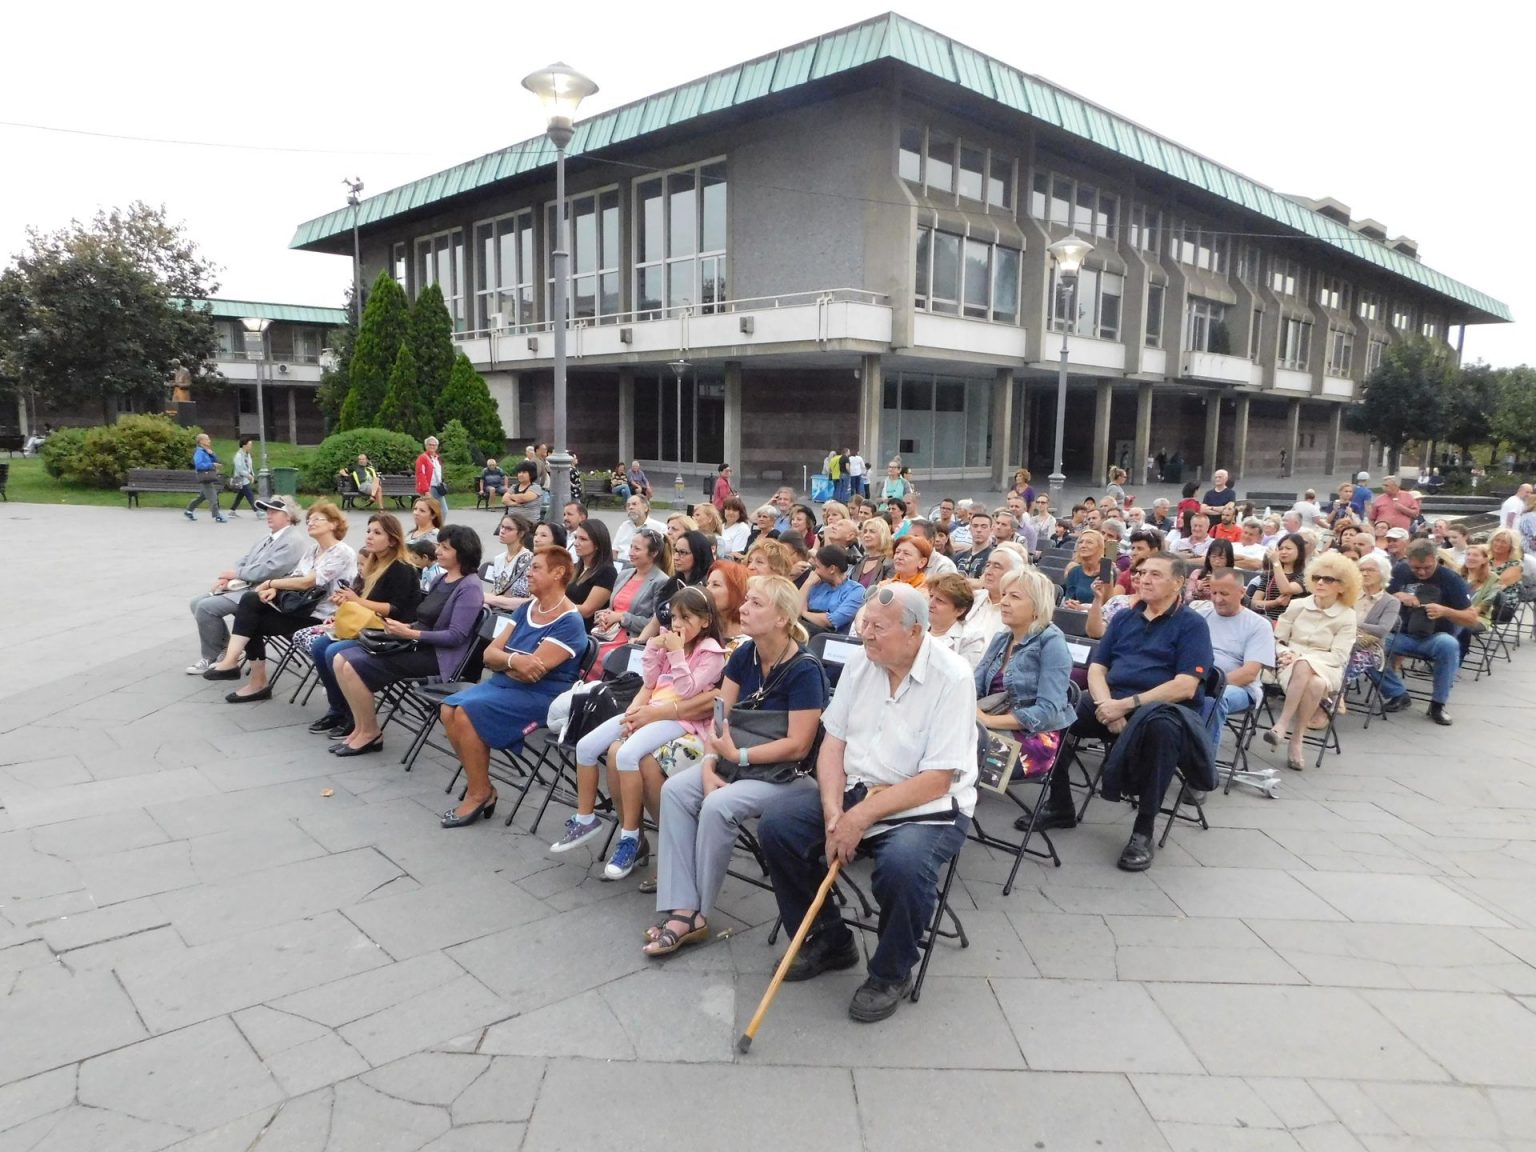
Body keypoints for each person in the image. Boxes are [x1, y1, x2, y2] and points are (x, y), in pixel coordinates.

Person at [755, 583, 975, 1021]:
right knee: (778, 825)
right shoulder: (862, 663)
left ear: (915, 632)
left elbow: (937, 779)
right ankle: (828, 939)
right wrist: (835, 811)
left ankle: (891, 972)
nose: (866, 634)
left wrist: (859, 818)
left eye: (878, 627)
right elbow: (833, 743)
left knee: (904, 867)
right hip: (857, 788)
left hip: (924, 807)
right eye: (864, 624)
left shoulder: (953, 677)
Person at [641, 575, 828, 956]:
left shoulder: (805, 670)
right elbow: (720, 718)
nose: (743, 608)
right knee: (675, 790)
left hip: (783, 774)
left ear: (781, 619)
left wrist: (735, 757)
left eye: (756, 604)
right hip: (733, 759)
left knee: (718, 805)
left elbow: (798, 745)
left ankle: (696, 912)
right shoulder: (744, 655)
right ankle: (681, 904)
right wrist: (710, 764)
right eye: (747, 602)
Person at [1039, 553, 1215, 872]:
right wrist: (1107, 704)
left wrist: (1127, 705)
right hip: (1114, 700)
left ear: (1178, 583)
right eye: (1142, 573)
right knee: (1060, 712)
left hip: (1163, 709)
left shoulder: (1192, 625)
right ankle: (1060, 803)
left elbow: (1185, 686)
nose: (1144, 579)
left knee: (1162, 733)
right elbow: (1097, 668)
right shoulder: (1124, 618)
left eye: (1155, 575)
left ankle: (1143, 831)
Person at [555, 585, 728, 877]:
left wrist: (675, 655)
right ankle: (585, 818)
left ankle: (630, 837)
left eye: (686, 618)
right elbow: (649, 680)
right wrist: (652, 647)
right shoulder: (673, 643)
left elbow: (687, 691)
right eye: (674, 617)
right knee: (585, 746)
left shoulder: (712, 653)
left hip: (680, 721)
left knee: (626, 754)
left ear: (706, 621)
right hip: (654, 706)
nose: (677, 625)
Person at [438, 547, 588, 826]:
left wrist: (505, 661)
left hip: (543, 696)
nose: (528, 573)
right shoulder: (526, 608)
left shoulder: (570, 621)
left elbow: (533, 673)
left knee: (465, 712)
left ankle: (479, 793)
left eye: (536, 568)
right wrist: (514, 660)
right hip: (505, 685)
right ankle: (481, 786)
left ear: (558, 573)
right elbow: (489, 655)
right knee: (448, 709)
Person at [329, 524, 483, 755]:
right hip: (416, 643)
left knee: (353, 666)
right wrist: (405, 627)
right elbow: (426, 618)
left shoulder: (470, 587)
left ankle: (371, 733)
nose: (438, 551)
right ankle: (361, 728)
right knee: (340, 659)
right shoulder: (441, 580)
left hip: (438, 657)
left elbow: (455, 636)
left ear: (462, 552)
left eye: (445, 548)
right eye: (439, 546)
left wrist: (411, 633)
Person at [202, 501, 359, 699]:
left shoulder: (342, 552)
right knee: (251, 604)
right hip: (302, 610)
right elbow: (295, 577)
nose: (310, 523)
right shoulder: (312, 550)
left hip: (324, 619)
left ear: (334, 524)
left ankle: (247, 675)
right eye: (309, 519)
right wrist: (275, 588)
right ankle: (242, 670)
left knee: (252, 616)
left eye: (317, 519)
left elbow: (308, 582)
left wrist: (270, 584)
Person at [305, 512, 425, 738]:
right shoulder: (373, 563)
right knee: (320, 646)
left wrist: (356, 601)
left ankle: (353, 716)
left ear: (392, 540)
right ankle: (337, 709)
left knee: (332, 651)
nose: (369, 536)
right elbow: (357, 601)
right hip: (365, 625)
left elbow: (396, 609)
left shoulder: (401, 568)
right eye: (369, 531)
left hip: (389, 632)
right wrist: (342, 612)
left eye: (377, 533)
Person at [975, 568, 1076, 832]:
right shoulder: (1002, 638)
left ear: (1036, 606)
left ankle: (940, 816)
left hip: (1033, 743)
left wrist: (987, 719)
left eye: (1015, 596)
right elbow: (973, 687)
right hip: (989, 729)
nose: (1004, 600)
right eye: (1005, 594)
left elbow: (1049, 711)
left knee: (952, 751)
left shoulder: (1051, 643)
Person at [185, 497, 308, 675]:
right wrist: (226, 577)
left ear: (288, 516)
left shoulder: (293, 541)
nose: (269, 515)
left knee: (206, 607)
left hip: (264, 595)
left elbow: (270, 570)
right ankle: (225, 649)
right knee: (196, 602)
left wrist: (236, 574)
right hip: (247, 588)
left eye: (274, 512)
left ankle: (215, 655)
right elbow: (245, 560)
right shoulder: (268, 538)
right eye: (267, 511)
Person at [1264, 552, 1360, 769]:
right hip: (1290, 665)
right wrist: (1282, 653)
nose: (1321, 582)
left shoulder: (1347, 616)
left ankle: (1282, 724)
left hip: (1328, 667)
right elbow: (1277, 639)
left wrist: (1302, 657)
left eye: (1329, 579)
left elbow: (1339, 656)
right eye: (1317, 578)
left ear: (1343, 586)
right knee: (1314, 682)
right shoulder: (1298, 606)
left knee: (1307, 666)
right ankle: (1296, 740)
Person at [1371, 539, 1474, 726]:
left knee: (1449, 645)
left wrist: (1445, 611)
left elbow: (1471, 617)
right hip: (1401, 633)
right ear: (1408, 561)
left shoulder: (1450, 579)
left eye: (1426, 567)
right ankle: (1397, 693)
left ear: (1435, 559)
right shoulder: (1401, 571)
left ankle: (1438, 705)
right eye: (1416, 568)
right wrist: (1396, 596)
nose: (1421, 572)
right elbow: (1377, 597)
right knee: (1368, 646)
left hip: (1435, 636)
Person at [1190, 567, 1275, 742]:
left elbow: (1249, 673)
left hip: (1238, 687)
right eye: (1213, 593)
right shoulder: (1201, 616)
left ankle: (1201, 765)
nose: (1217, 599)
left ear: (1241, 592)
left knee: (1211, 702)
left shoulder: (1258, 625)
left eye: (1224, 594)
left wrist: (1207, 686)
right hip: (1196, 680)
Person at [591, 527, 672, 667]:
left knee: (600, 657)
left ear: (653, 553)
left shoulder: (661, 581)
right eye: (631, 547)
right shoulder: (624, 574)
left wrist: (622, 617)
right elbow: (613, 608)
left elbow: (656, 623)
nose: (631, 552)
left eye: (637, 549)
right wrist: (604, 616)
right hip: (608, 634)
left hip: (631, 639)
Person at [798, 545, 863, 636]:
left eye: (818, 567)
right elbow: (794, 611)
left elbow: (832, 621)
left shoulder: (855, 591)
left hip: (832, 641)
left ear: (832, 569)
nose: (815, 572)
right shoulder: (816, 584)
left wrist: (804, 613)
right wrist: (807, 584)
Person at [568, 519, 617, 631]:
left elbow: (586, 611)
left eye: (583, 539)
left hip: (584, 630)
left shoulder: (607, 572)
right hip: (564, 623)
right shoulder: (575, 568)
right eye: (576, 538)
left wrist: (555, 605)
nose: (576, 543)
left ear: (597, 545)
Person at [483, 513, 536, 614]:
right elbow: (496, 590)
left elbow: (524, 595)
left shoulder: (528, 559)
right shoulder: (499, 559)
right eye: (502, 527)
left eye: (509, 529)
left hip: (516, 613)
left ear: (520, 533)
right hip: (496, 611)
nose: (502, 531)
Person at [1251, 533, 1309, 623]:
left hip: (1291, 623)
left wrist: (1276, 562)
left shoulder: (1305, 575)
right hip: (1266, 621)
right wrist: (1274, 603)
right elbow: (1254, 603)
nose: (1283, 552)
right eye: (1281, 549)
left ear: (1300, 551)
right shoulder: (1269, 574)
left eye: (1288, 548)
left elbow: (1285, 589)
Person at [1062, 529, 1112, 608]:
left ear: (1099, 547)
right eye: (1081, 542)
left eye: (1089, 542)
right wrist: (1071, 604)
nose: (1083, 545)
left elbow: (1107, 606)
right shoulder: (1074, 571)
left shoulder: (1106, 569)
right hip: (1075, 615)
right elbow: (1068, 599)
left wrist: (1083, 608)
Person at [184, 433, 226, 523]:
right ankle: (217, 516)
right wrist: (211, 465)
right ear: (201, 441)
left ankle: (188, 511)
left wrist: (212, 454)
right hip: (204, 476)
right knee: (213, 496)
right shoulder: (199, 452)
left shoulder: (206, 451)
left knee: (202, 497)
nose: (209, 440)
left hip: (207, 477)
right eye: (207, 439)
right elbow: (198, 465)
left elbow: (216, 460)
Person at [853, 517, 895, 589]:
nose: (866, 535)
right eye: (865, 531)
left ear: (883, 535)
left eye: (872, 531)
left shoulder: (890, 564)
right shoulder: (860, 561)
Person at [954, 510, 994, 582]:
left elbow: (984, 584)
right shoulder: (959, 557)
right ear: (970, 529)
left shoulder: (993, 557)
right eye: (975, 526)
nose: (979, 530)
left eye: (984, 527)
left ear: (991, 530)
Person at [415, 435, 447, 520]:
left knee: (444, 510)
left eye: (434, 445)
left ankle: (439, 529)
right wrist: (426, 491)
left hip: (438, 487)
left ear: (437, 446)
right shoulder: (422, 458)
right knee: (428, 512)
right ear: (426, 446)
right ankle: (428, 529)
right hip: (429, 488)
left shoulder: (437, 458)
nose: (432, 446)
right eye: (430, 444)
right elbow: (421, 474)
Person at [227, 437, 258, 517]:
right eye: (249, 444)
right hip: (241, 479)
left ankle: (232, 511)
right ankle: (257, 511)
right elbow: (240, 470)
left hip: (246, 479)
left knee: (240, 496)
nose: (251, 446)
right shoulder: (238, 456)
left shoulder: (247, 455)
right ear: (244, 445)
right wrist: (248, 476)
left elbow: (249, 466)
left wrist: (252, 475)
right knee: (250, 495)